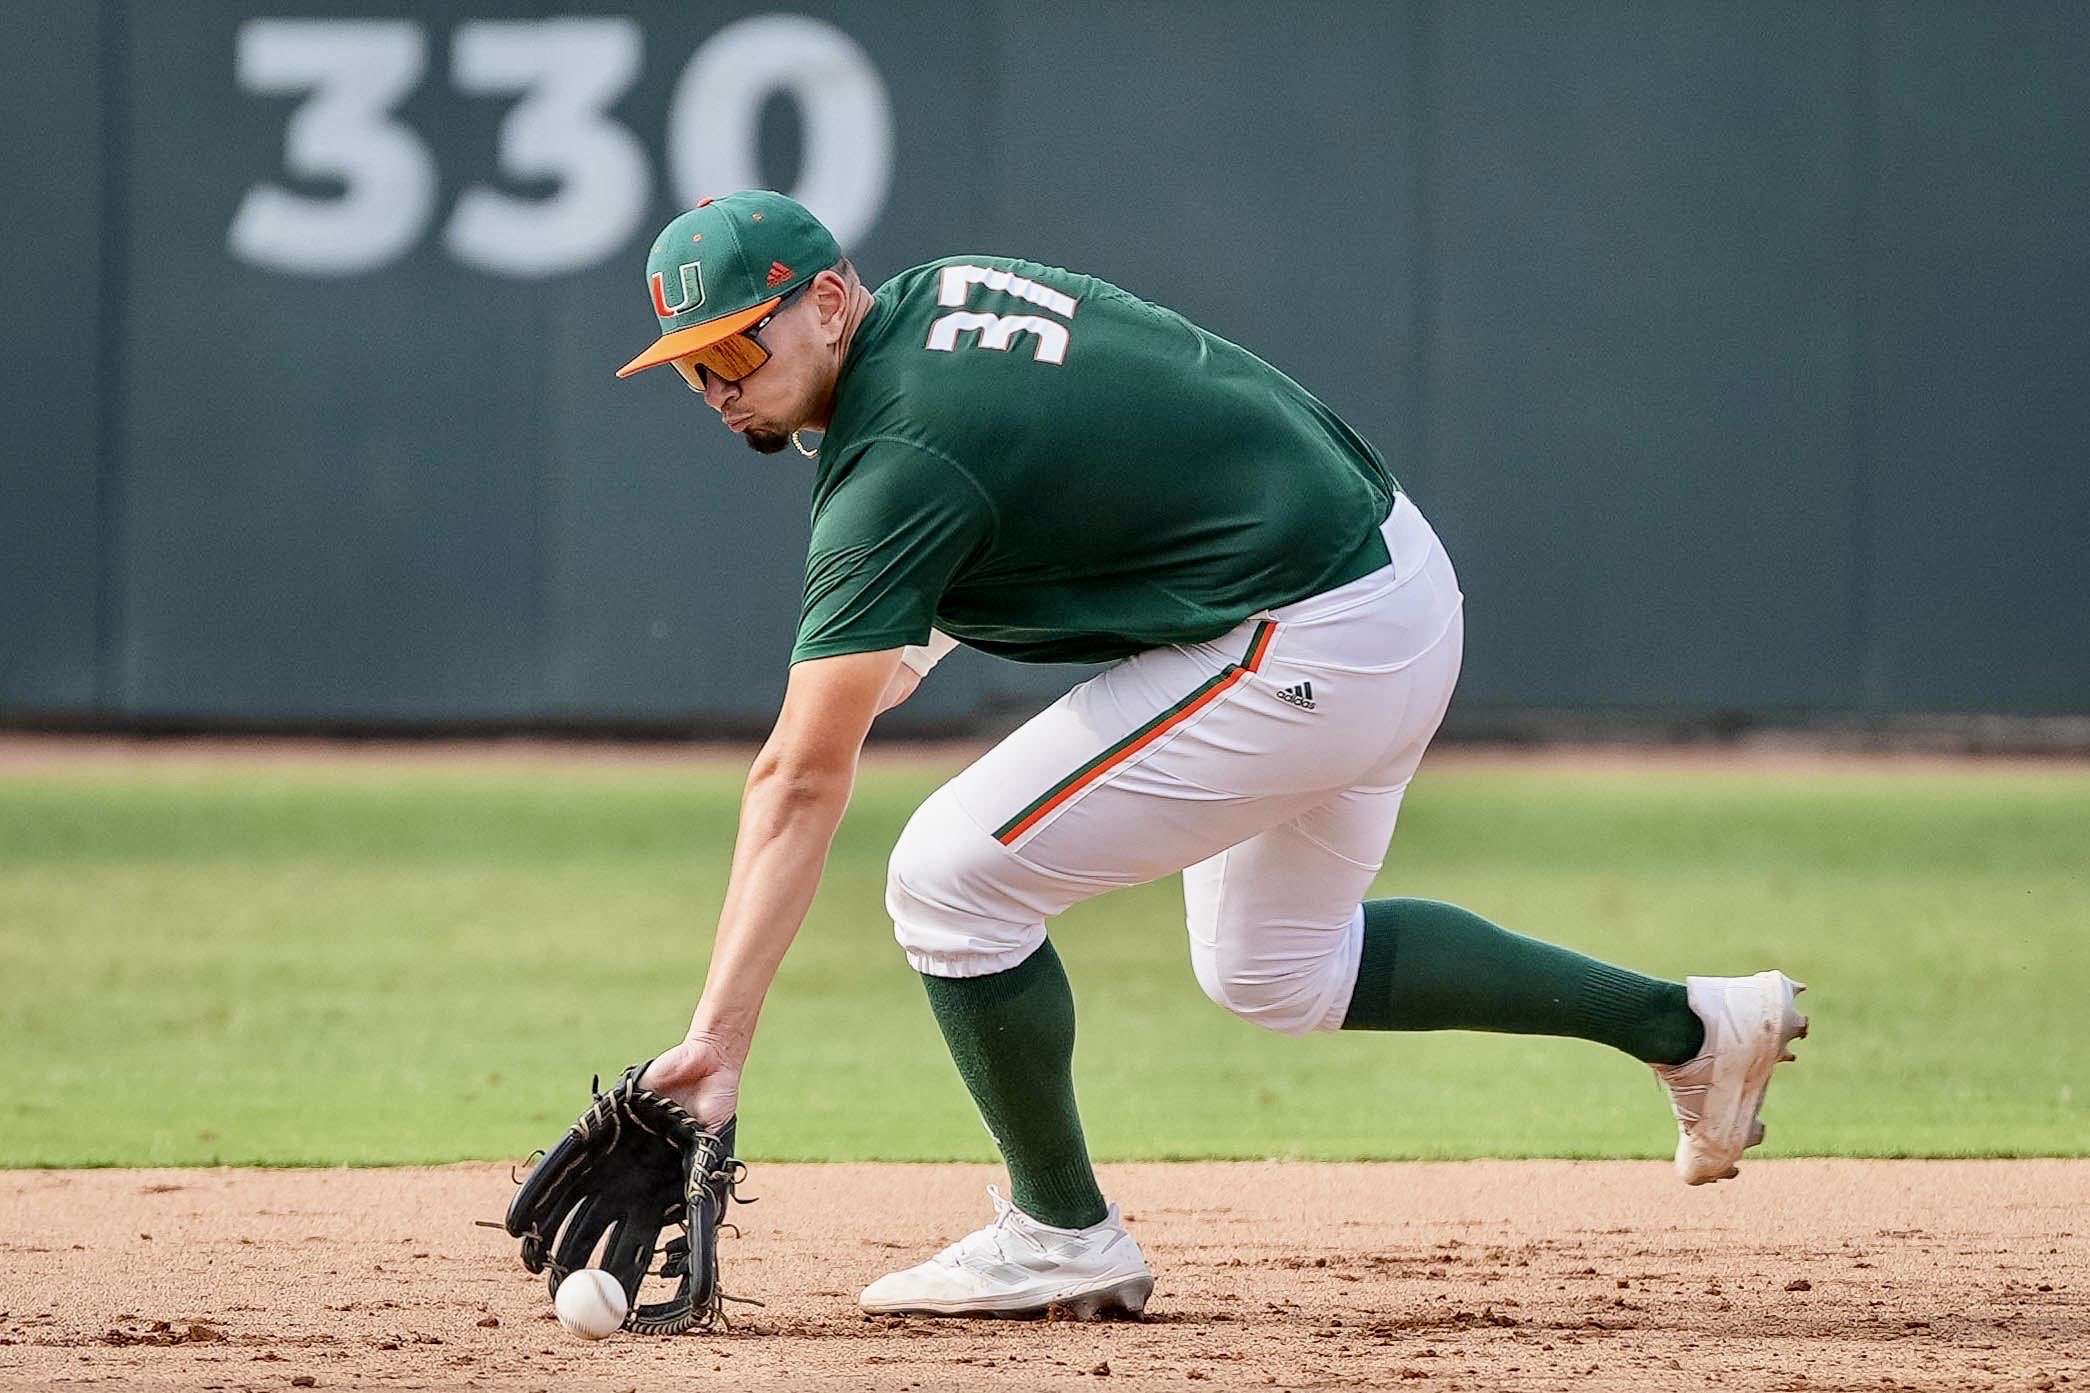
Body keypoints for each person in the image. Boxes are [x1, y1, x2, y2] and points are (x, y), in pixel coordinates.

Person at [619, 191, 1808, 1320]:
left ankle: (1059, 1232)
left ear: (827, 301)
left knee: (947, 876)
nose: (713, 386)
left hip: (1314, 627)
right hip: (1379, 576)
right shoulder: (939, 309)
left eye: (732, 348)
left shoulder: (902, 454)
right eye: (688, 364)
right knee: (1273, 968)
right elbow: (1018, 498)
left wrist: (716, 1044)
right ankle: (1694, 1029)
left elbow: (799, 777)